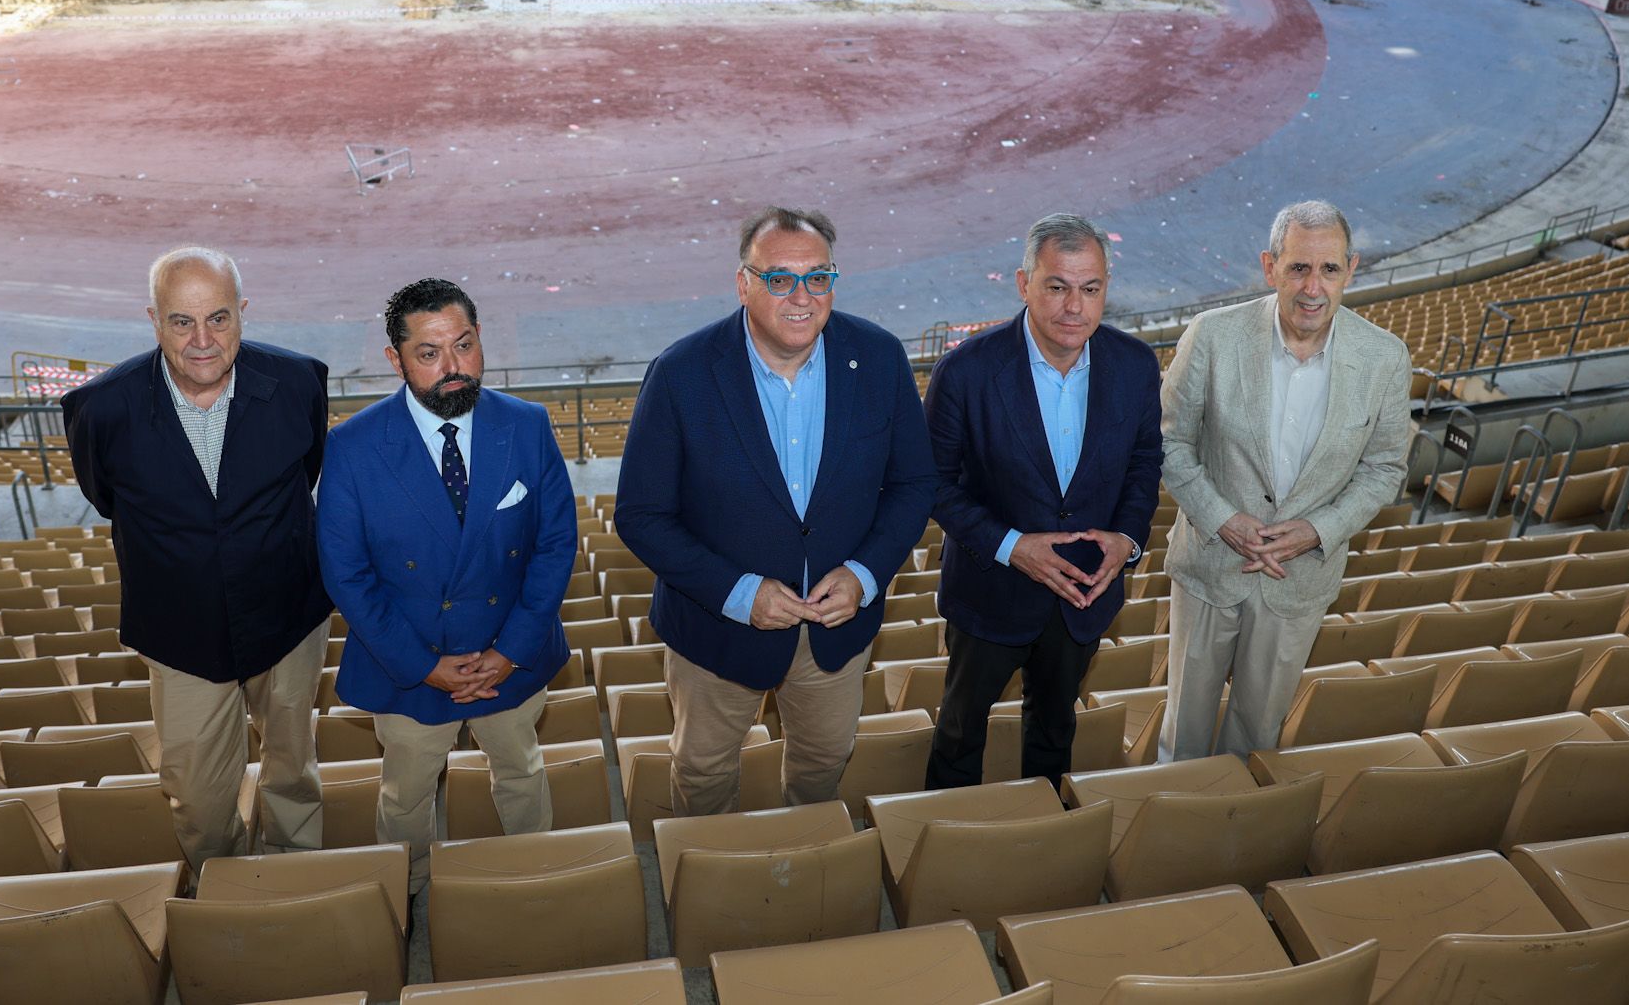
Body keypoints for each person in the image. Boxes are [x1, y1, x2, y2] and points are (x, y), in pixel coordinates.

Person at [617, 207, 934, 816]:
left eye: (818, 277)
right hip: (715, 634)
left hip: (836, 634)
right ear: (744, 284)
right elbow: (640, 514)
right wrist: (739, 593)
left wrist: (867, 574)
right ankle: (707, 884)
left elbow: (915, 483)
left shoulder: (880, 357)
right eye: (779, 278)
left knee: (821, 767)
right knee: (704, 775)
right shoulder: (680, 374)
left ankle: (803, 879)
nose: (801, 296)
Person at [61, 246, 332, 869]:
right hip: (181, 634)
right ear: (153, 320)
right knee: (199, 800)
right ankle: (228, 885)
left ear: (243, 314)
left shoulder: (297, 383)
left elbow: (307, 474)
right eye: (182, 321)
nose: (202, 339)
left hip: (288, 619)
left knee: (293, 770)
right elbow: (105, 499)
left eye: (219, 317)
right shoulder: (102, 409)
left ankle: (299, 874)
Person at [316, 278, 572, 891]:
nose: (452, 368)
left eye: (463, 346)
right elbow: (345, 573)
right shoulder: (350, 448)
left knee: (522, 773)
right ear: (395, 359)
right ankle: (406, 893)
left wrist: (510, 651)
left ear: (480, 339)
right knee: (405, 797)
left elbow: (555, 543)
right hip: (409, 662)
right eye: (429, 354)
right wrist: (423, 664)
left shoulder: (528, 424)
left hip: (506, 656)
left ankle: (539, 881)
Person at [1158, 202, 1411, 761]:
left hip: (1299, 579)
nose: (1312, 288)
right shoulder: (1212, 336)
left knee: (1257, 739)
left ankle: (1234, 831)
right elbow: (1169, 442)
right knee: (1184, 734)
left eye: (1328, 269)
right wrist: (1223, 519)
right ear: (1270, 266)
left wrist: (1318, 530)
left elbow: (1385, 468)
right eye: (1298, 268)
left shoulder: (1386, 359)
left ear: (1352, 268)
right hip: (1209, 568)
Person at [924, 215, 1162, 790]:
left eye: (1090, 288)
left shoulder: (1134, 365)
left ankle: (1044, 841)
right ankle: (947, 856)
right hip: (989, 593)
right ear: (1023, 283)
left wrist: (1126, 541)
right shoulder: (965, 370)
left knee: (1055, 730)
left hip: (1082, 595)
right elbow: (930, 482)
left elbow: (1144, 464)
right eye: (1057, 287)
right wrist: (1011, 547)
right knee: (959, 733)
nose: (1074, 307)